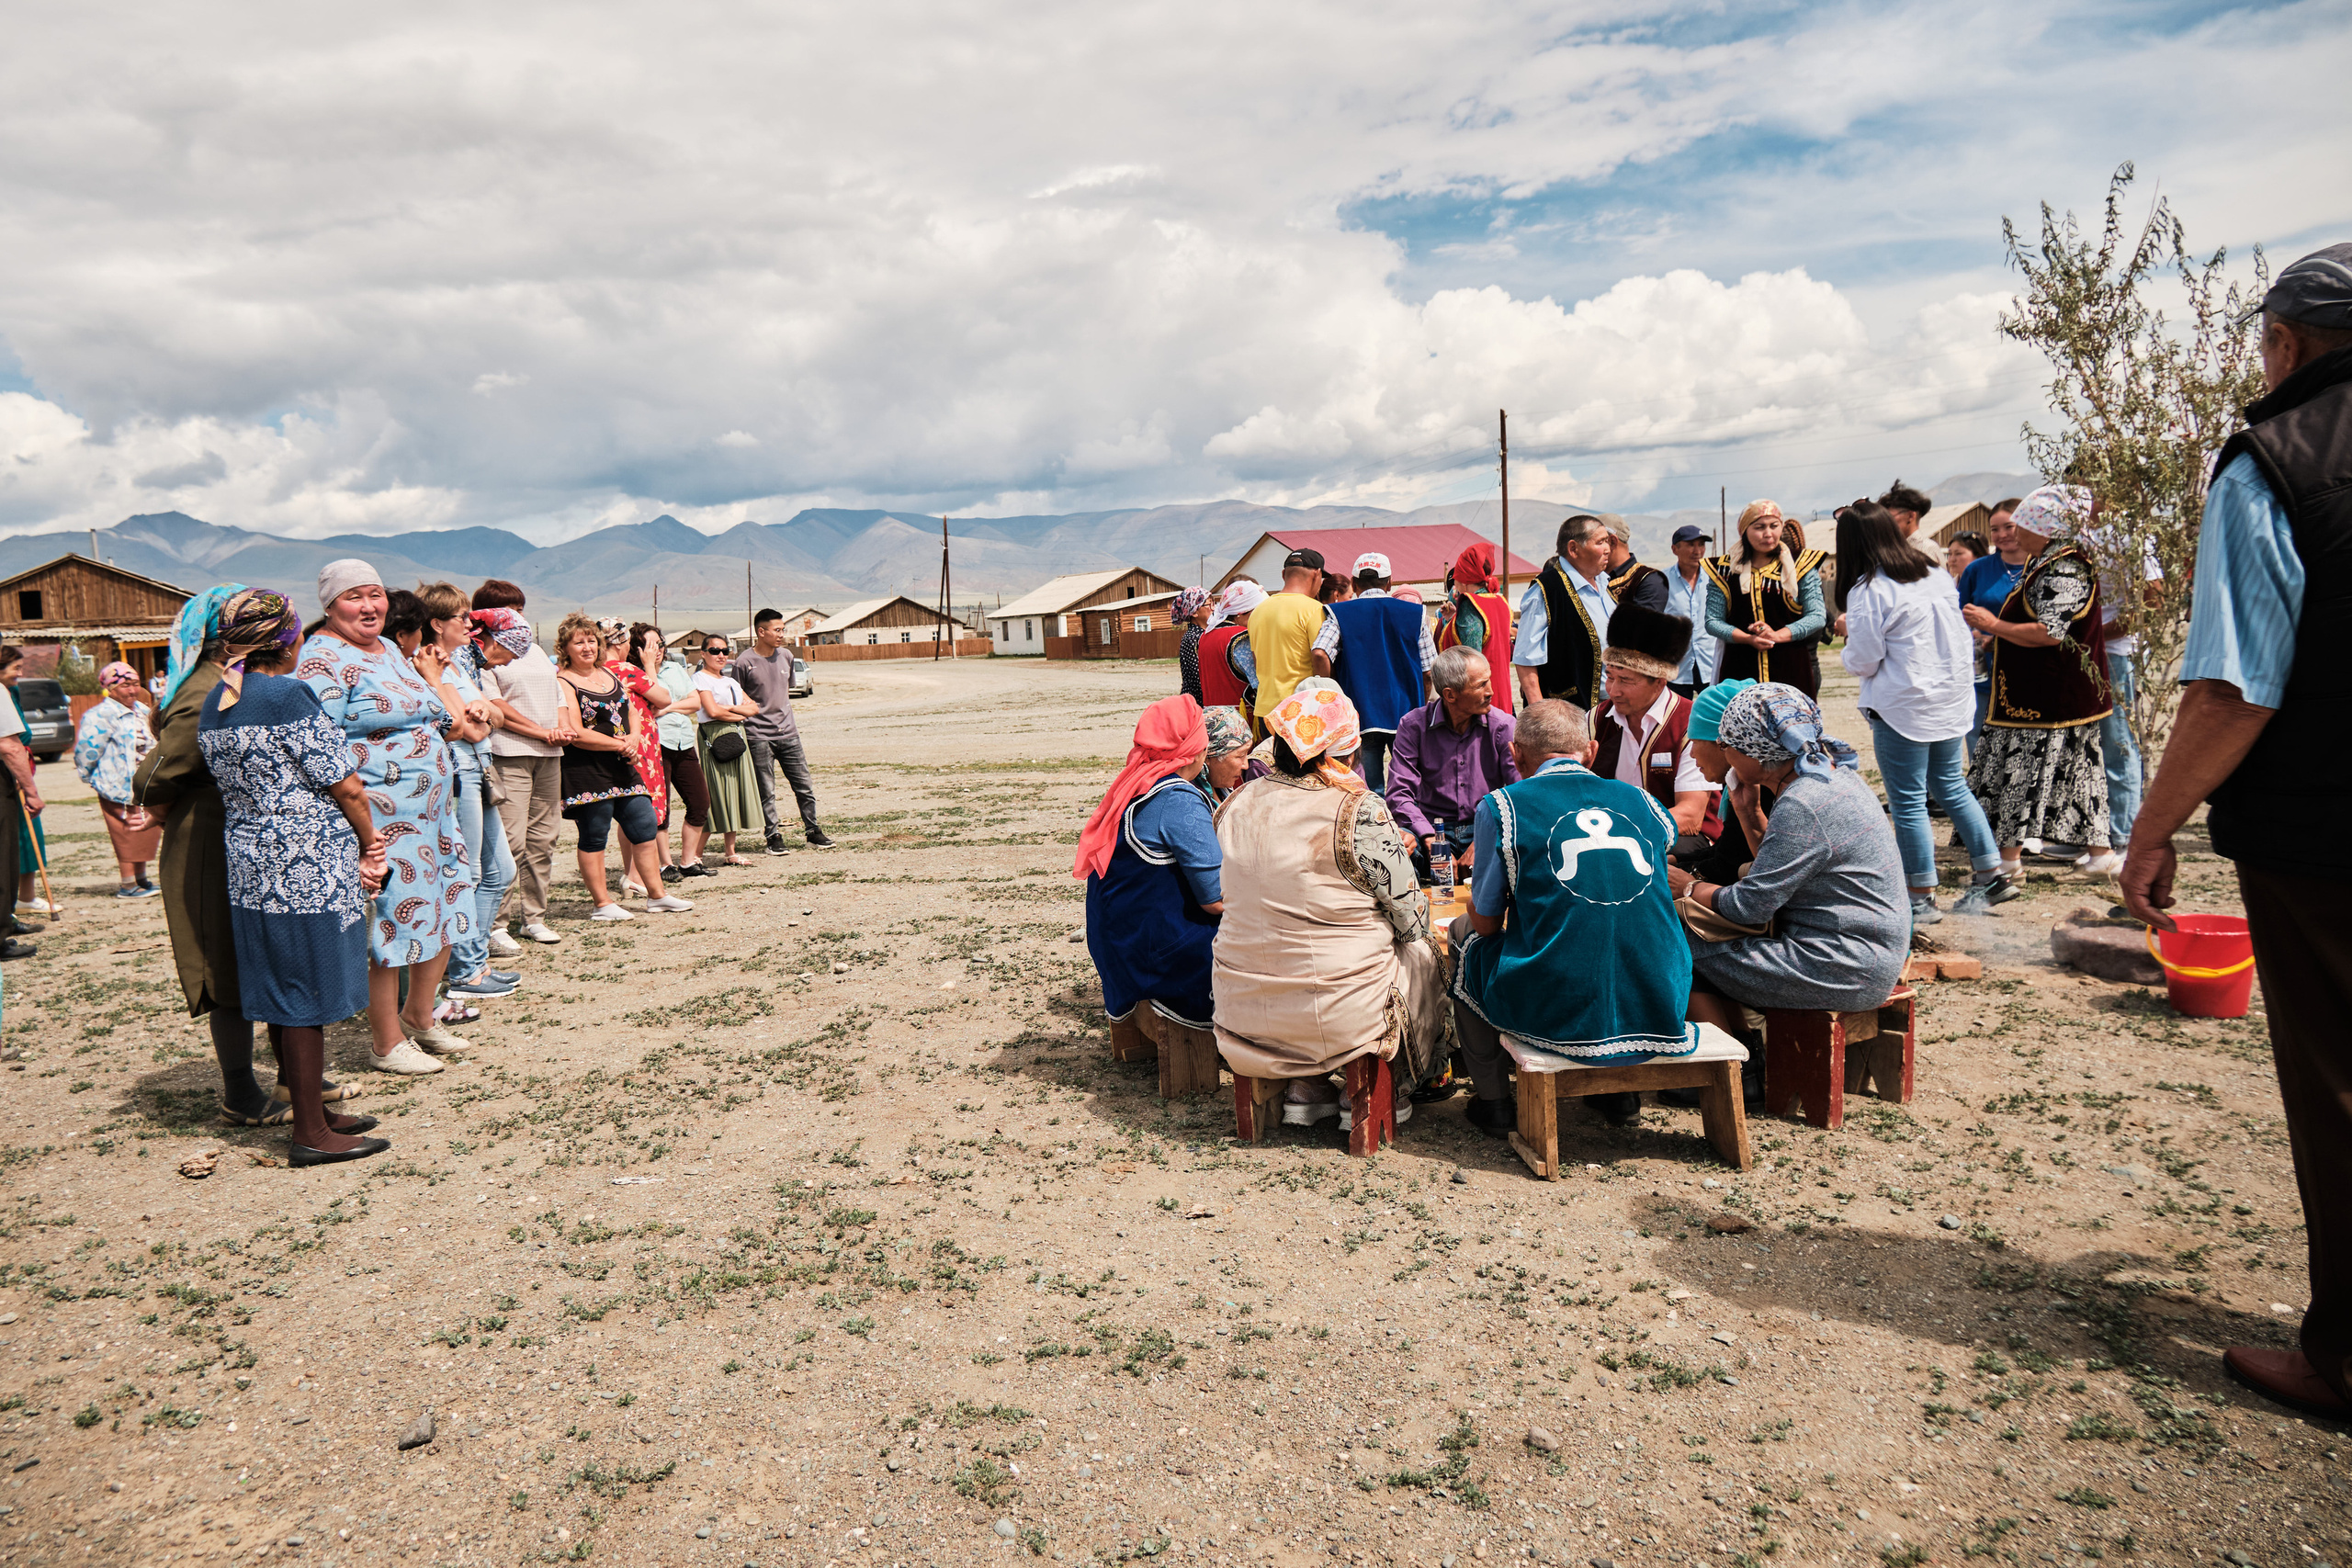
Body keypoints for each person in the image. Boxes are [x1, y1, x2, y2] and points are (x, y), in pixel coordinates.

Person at [2118, 243, 2352, 1418]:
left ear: (2286, 344)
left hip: (2326, 835)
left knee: (2339, 1084)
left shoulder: (2276, 463)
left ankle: (2345, 1356)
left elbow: (2232, 688)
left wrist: (2152, 828)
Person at [1448, 698, 1698, 1135]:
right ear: (1591, 751)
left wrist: (1483, 901)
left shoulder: (1502, 807)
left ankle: (1494, 1101)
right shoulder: (1644, 802)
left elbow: (1487, 923)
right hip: (1657, 994)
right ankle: (1618, 1094)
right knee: (1614, 933)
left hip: (1558, 1001)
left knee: (1463, 935)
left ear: (1516, 755)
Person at [136, 587, 339, 1122]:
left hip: (244, 836)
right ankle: (241, 1093)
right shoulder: (206, 688)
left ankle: (297, 1080)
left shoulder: (234, 680)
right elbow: (158, 772)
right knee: (225, 968)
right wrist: (163, 803)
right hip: (208, 840)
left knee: (271, 959)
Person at [198, 602, 390, 1166]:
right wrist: (370, 841)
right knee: (305, 992)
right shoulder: (286, 695)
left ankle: (313, 1113)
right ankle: (310, 1132)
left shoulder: (218, 698)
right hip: (305, 862)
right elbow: (344, 783)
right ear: (285, 642)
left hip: (251, 861)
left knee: (281, 988)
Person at [1210, 679, 1448, 1130]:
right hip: (1339, 1013)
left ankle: (1308, 1088)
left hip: (1242, 1005)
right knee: (1424, 952)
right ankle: (1388, 1086)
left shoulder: (1235, 803)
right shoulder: (1358, 809)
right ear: (1346, 751)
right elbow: (1411, 918)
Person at [300, 560, 475, 1072]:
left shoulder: (390, 651)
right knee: (392, 924)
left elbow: (442, 720)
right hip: (378, 819)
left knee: (444, 908)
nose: (369, 606)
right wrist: (357, 828)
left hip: (434, 816)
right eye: (354, 596)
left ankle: (419, 1016)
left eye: (375, 594)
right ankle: (386, 1041)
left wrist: (435, 684)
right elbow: (321, 748)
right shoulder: (321, 659)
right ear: (330, 605)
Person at [1664, 684, 1909, 1031]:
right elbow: (1775, 872)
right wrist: (1748, 812)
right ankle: (1741, 1047)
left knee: (1669, 938)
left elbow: (1749, 907)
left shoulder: (1802, 802)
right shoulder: (1832, 778)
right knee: (1691, 938)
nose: (1726, 755)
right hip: (1862, 958)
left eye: (1726, 746)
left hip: (1841, 968)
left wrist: (1689, 887)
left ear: (1755, 750)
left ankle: (1732, 1058)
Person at [1835, 502, 2015, 923]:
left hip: (1904, 707)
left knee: (1908, 802)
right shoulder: (1933, 575)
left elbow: (1865, 659)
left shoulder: (1869, 588)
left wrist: (1848, 635)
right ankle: (1992, 874)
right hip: (1948, 700)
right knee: (1952, 786)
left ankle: (1919, 896)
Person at [1962, 485, 2113, 879]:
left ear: (2043, 527)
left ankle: (2008, 862)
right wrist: (1997, 636)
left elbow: (2050, 632)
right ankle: (2100, 855)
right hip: (2047, 694)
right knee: (2079, 771)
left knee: (2020, 771)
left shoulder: (2066, 567)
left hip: (2048, 696)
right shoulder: (2047, 561)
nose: (2013, 534)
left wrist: (1994, 625)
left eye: (2021, 526)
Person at [1079, 695, 1226, 1054]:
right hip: (1154, 958)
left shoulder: (1135, 783)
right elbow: (1216, 899)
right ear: (1194, 749)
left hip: (1118, 944)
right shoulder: (1178, 799)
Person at [416, 583, 521, 1001]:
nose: (470, 623)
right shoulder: (424, 665)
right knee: (472, 873)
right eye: (462, 616)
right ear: (437, 623)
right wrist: (479, 718)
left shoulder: (457, 666)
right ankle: (467, 971)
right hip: (459, 772)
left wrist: (482, 713)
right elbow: (463, 728)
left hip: (480, 769)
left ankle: (473, 963)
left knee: (501, 871)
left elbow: (492, 715)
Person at [551, 613, 689, 920]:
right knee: (595, 833)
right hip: (586, 767)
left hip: (623, 763)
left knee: (643, 823)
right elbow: (575, 731)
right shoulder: (564, 681)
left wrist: (634, 737)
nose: (587, 647)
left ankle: (657, 896)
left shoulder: (607, 674)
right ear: (566, 648)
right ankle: (602, 904)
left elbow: (631, 711)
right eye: (579, 642)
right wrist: (619, 744)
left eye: (591, 641)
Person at [473, 580, 571, 945]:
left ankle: (534, 917)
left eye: (520, 609)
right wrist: (541, 732)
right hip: (509, 752)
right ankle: (496, 924)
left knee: (544, 838)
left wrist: (561, 729)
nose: (519, 616)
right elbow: (496, 706)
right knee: (510, 840)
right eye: (510, 610)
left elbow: (558, 694)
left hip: (549, 752)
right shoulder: (483, 653)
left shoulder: (535, 650)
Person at [1384, 646, 1520, 885]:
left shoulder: (1503, 726)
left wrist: (1485, 840)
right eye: (1481, 685)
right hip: (1430, 826)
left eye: (1488, 681)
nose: (1491, 691)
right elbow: (1399, 794)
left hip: (1486, 825)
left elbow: (1519, 793)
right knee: (1396, 849)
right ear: (1450, 695)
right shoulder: (1413, 726)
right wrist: (1429, 838)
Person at [1589, 603, 1716, 843]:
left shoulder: (1690, 724)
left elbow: (1690, 816)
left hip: (1681, 839)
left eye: (1626, 680)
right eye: (1610, 677)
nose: (1614, 691)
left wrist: (1623, 835)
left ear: (1659, 682)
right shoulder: (1596, 719)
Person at [2076, 506, 2163, 858]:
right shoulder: (2076, 530)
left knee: (2117, 743)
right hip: (2080, 652)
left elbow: (2151, 601)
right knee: (2086, 747)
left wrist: (2094, 635)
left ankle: (2122, 834)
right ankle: (2092, 832)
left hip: (2114, 654)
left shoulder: (2130, 534)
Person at [730, 608, 832, 854]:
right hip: (758, 736)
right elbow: (736, 697)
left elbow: (784, 692)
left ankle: (813, 832)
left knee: (804, 786)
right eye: (777, 630)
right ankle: (773, 837)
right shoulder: (744, 662)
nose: (781, 634)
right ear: (761, 632)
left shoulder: (786, 656)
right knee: (767, 790)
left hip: (789, 733)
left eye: (782, 629)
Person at [1329, 551, 1431, 794]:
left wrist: (1333, 691)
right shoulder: (1416, 614)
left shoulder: (1338, 614)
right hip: (1405, 713)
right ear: (1389, 583)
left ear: (1354, 584)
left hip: (1362, 714)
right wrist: (1420, 706)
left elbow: (1321, 652)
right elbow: (1429, 672)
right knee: (1409, 784)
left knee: (1371, 788)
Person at [1704, 501, 1828, 697]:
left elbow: (1817, 615)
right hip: (1740, 671)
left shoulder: (1801, 565)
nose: (1768, 533)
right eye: (1759, 527)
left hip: (1791, 669)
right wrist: (1747, 638)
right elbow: (1713, 621)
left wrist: (1777, 636)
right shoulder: (1724, 570)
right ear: (1744, 530)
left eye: (1774, 526)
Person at [74, 661, 163, 897]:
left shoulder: (142, 710)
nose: (132, 690)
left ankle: (141, 879)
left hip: (145, 784)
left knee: (144, 829)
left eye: (135, 684)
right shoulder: (101, 715)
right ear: (110, 688)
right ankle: (127, 885)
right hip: (117, 785)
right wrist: (89, 776)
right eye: (125, 685)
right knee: (125, 832)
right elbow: (87, 750)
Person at [1514, 514, 1615, 712]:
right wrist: (1540, 714)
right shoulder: (1547, 590)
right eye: (1600, 542)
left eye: (1608, 542)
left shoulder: (1605, 584)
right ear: (1573, 549)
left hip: (1612, 708)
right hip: (1569, 712)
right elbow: (1526, 660)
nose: (1607, 549)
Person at [639, 625, 712, 879]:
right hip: (656, 744)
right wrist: (649, 667)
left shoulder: (675, 668)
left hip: (683, 741)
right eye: (649, 646)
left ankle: (688, 862)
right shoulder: (636, 673)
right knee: (661, 806)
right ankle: (665, 864)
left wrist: (668, 708)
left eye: (659, 644)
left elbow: (695, 702)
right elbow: (653, 700)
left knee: (700, 802)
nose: (656, 650)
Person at [1956, 500, 2030, 749]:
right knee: (1980, 739)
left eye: (2009, 527)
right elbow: (1959, 615)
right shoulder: (1977, 570)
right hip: (1984, 671)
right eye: (1994, 530)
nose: (2002, 535)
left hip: (2030, 671)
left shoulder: (2043, 567)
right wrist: (1972, 634)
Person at [604, 623, 670, 894]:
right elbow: (663, 699)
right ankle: (637, 876)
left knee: (629, 811)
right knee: (645, 809)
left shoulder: (597, 672)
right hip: (641, 746)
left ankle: (631, 873)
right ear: (620, 643)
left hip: (617, 745)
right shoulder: (626, 670)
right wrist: (650, 666)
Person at [692, 635, 764, 865]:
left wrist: (729, 709)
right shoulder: (700, 679)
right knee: (715, 793)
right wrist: (738, 712)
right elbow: (712, 712)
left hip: (736, 733)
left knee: (734, 788)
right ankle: (695, 854)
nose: (721, 655)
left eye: (725, 650)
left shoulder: (731, 681)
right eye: (714, 651)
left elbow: (754, 709)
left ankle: (730, 852)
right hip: (714, 735)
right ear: (703, 653)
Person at [1242, 549, 1339, 722]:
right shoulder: (1315, 610)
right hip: (1301, 710)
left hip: (1265, 712)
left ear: (1283, 574)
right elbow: (1320, 657)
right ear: (1317, 574)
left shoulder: (1258, 611)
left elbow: (1257, 661)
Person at [1439, 540, 1516, 716]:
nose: (1455, 583)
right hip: (1501, 689)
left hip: (1479, 697)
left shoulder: (1470, 604)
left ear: (1464, 579)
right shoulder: (1500, 601)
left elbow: (1471, 656)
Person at [1198, 580, 1264, 724]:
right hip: (1240, 722)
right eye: (1256, 612)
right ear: (1241, 613)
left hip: (1212, 719)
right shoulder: (1242, 637)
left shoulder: (1206, 635)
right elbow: (1259, 682)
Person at [1663, 525, 1715, 695]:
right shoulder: (1662, 581)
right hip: (1677, 667)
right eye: (1691, 545)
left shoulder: (1715, 579)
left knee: (1714, 710)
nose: (1697, 551)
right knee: (1677, 711)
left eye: (1701, 545)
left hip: (1709, 663)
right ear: (1675, 549)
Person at [1600, 515, 1669, 613]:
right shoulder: (1592, 577)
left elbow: (1642, 622)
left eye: (1598, 542)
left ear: (1612, 542)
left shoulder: (1649, 580)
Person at [1878, 479, 1952, 569]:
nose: (1886, 522)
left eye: (1890, 517)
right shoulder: (1891, 549)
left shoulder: (1926, 549)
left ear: (1911, 516)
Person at [1201, 705, 1264, 800]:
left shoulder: (1221, 788)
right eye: (1240, 755)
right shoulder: (1190, 800)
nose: (1246, 766)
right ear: (1207, 757)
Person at [1171, 587, 1214, 704]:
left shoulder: (1205, 634)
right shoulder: (1192, 638)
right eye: (1209, 605)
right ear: (1194, 612)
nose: (1213, 608)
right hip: (1196, 701)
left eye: (1214, 603)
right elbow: (1198, 675)